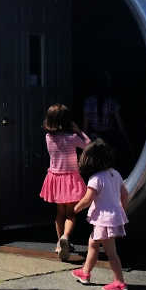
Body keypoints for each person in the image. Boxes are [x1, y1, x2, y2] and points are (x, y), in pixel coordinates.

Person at [71, 137, 129, 290]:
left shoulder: (95, 179)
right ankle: (85, 272)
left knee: (111, 253)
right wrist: (121, 211)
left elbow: (87, 199)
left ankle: (119, 282)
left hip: (103, 220)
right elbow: (125, 194)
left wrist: (75, 208)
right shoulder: (115, 174)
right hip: (111, 218)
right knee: (93, 244)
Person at [39, 104, 90, 261]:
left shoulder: (48, 137)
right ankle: (66, 237)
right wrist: (79, 130)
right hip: (70, 180)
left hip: (55, 178)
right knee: (71, 214)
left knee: (59, 213)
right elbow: (89, 145)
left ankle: (59, 243)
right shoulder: (72, 138)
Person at [82, 72, 132, 175]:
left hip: (94, 138)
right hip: (109, 139)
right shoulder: (112, 102)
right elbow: (120, 125)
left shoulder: (88, 102)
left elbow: (85, 127)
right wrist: (127, 140)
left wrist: (84, 145)